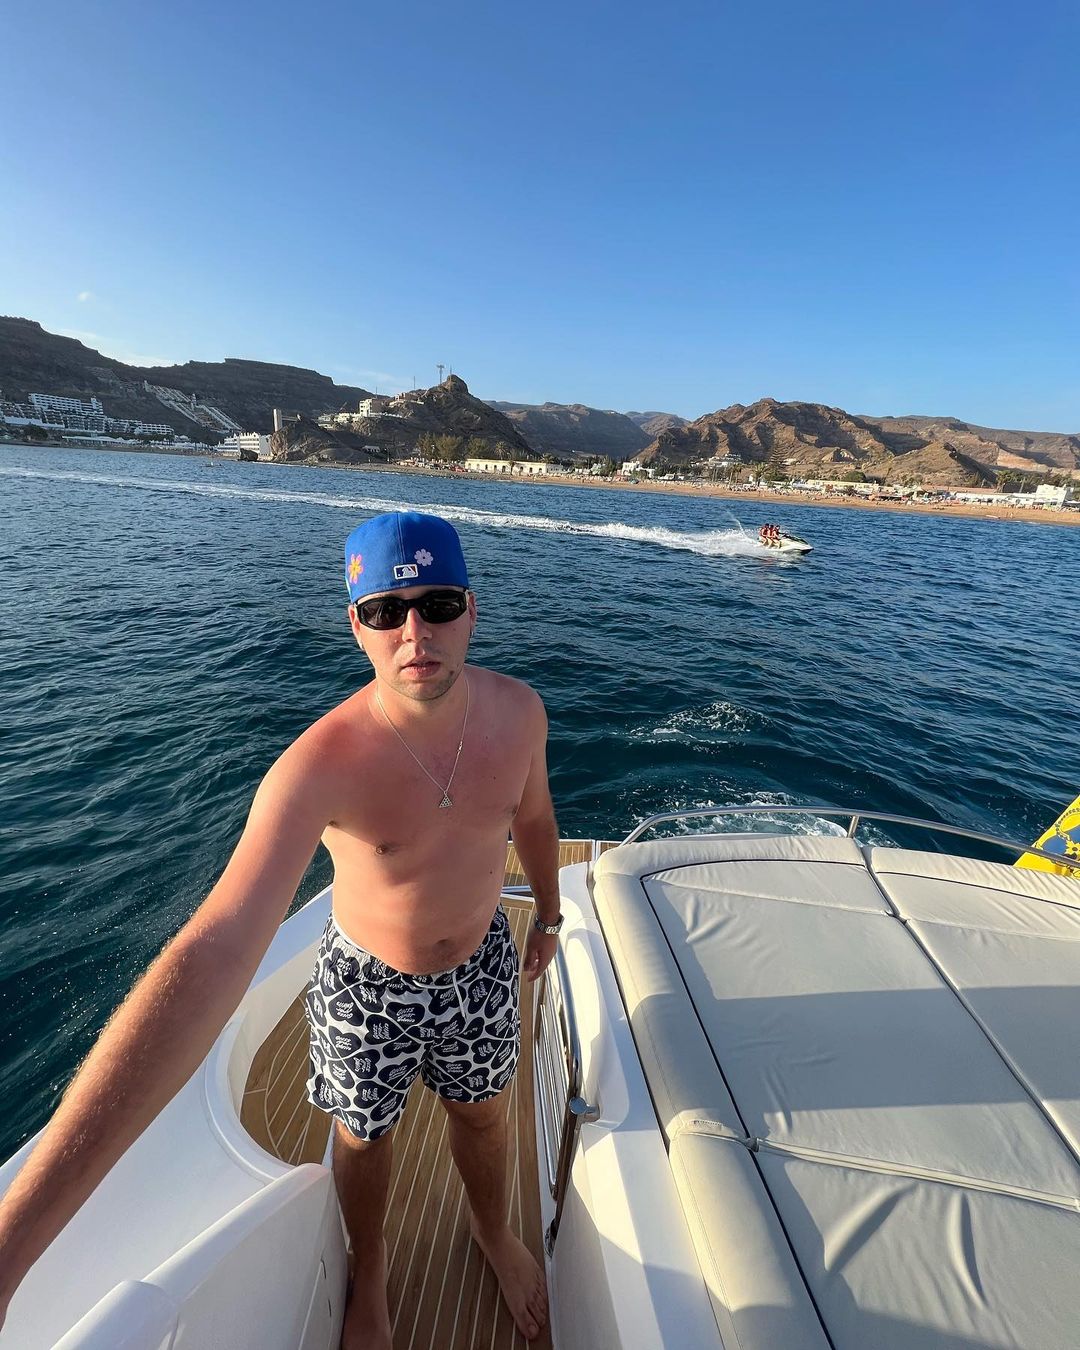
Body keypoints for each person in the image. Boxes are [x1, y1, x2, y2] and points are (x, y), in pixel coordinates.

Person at [0, 511, 560, 1348]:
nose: (415, 633)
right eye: (386, 611)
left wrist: (548, 913)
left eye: (438, 605)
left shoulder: (519, 714)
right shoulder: (318, 767)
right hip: (367, 987)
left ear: (471, 611)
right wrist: (10, 1248)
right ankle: (369, 1270)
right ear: (357, 626)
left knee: (482, 1116)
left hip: (480, 965)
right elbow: (215, 945)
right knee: (362, 1139)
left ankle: (492, 1229)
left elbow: (536, 818)